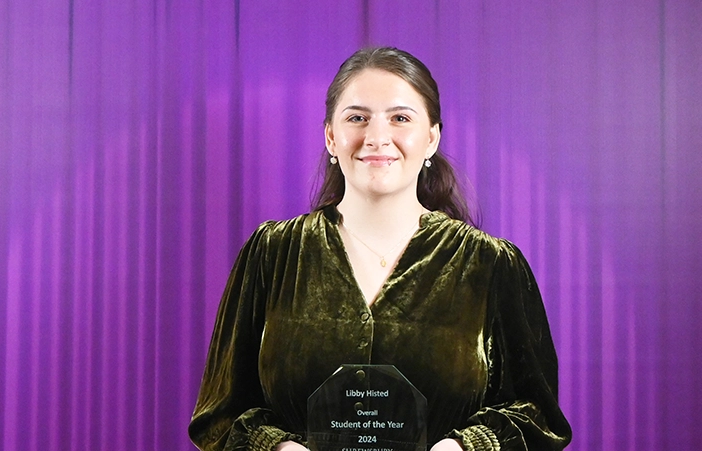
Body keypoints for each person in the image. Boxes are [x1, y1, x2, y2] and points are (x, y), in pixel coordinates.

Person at [189, 47, 572, 451]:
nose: (376, 137)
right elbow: (220, 415)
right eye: (357, 118)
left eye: (400, 118)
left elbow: (537, 416)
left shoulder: (490, 264)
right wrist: (279, 448)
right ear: (331, 137)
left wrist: (462, 448)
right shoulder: (272, 253)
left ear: (431, 138)